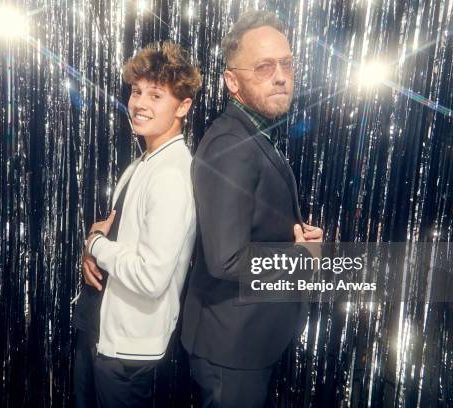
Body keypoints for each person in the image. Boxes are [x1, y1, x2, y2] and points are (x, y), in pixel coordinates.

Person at [180, 10, 323, 408]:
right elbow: (226, 259)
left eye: (287, 63)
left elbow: (253, 223)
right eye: (263, 67)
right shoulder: (231, 143)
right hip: (232, 348)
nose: (280, 75)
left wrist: (295, 234)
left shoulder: (253, 131)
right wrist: (300, 259)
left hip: (248, 340)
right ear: (232, 81)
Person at [72, 42, 201, 407]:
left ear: (183, 107)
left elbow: (150, 276)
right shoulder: (144, 162)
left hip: (127, 351)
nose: (140, 103)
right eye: (136, 91)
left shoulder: (171, 176)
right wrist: (93, 251)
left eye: (156, 95)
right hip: (100, 329)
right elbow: (114, 236)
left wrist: (95, 245)